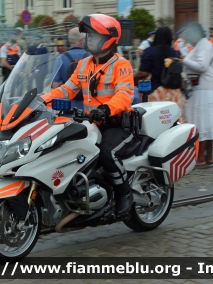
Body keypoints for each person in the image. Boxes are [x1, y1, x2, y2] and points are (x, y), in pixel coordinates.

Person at [41, 14, 135, 217]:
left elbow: (125, 94)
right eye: (88, 35)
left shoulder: (121, 65)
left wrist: (106, 109)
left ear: (109, 39)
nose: (89, 39)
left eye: (94, 35)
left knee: (106, 154)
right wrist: (41, 99)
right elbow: (66, 90)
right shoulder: (84, 65)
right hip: (91, 124)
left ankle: (124, 193)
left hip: (115, 123)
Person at [182, 22, 213, 166]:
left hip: (206, 88)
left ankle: (201, 157)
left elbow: (201, 66)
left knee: (202, 123)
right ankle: (208, 156)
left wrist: (184, 60)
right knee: (208, 124)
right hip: (206, 87)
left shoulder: (204, 45)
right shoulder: (202, 44)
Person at [134, 27, 185, 122]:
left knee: (155, 120)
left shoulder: (150, 51)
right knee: (172, 120)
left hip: (156, 91)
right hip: (174, 92)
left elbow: (143, 73)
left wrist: (133, 80)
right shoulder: (175, 53)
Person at [51, 27, 88, 109]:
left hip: (69, 106)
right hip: (89, 107)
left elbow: (55, 85)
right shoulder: (91, 57)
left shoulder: (60, 58)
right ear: (82, 41)